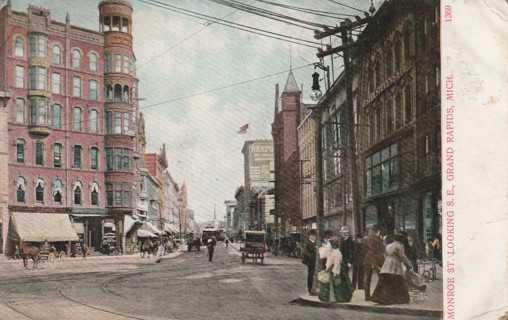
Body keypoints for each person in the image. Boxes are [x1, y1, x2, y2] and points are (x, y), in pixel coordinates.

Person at [371, 231, 412, 305]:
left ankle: (381, 298)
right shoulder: (399, 246)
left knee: (385, 281)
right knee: (398, 281)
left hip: (387, 264)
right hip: (395, 264)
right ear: (401, 239)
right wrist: (409, 265)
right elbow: (403, 257)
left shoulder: (389, 245)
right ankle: (398, 298)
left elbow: (385, 254)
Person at [318, 237, 353, 303]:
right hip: (333, 269)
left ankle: (338, 297)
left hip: (337, 270)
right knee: (335, 284)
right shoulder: (334, 252)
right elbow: (324, 256)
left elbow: (337, 264)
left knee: (338, 284)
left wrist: (335, 272)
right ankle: (332, 297)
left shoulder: (337, 253)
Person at [363, 224, 385, 301]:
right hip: (377, 260)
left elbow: (364, 250)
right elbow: (382, 250)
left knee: (367, 278)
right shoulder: (379, 240)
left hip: (368, 260)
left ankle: (367, 296)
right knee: (381, 277)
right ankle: (380, 295)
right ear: (378, 231)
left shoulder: (367, 239)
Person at [302, 229, 317, 295]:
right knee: (311, 275)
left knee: (313, 275)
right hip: (310, 261)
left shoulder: (315, 243)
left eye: (314, 235)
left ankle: (313, 289)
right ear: (309, 236)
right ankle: (310, 289)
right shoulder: (308, 243)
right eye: (312, 235)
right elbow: (305, 252)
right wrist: (311, 256)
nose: (314, 237)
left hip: (314, 261)